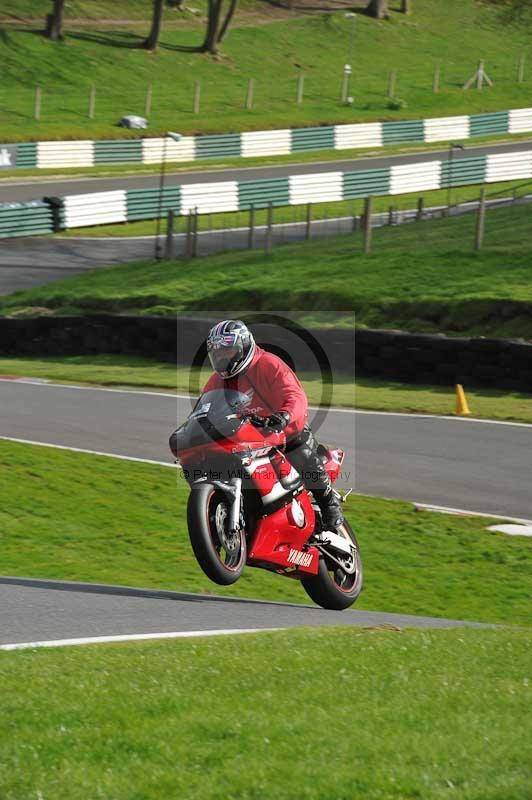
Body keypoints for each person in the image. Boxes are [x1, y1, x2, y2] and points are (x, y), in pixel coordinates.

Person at [202, 319, 345, 532]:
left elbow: (295, 395)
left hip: (281, 430)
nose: (223, 358)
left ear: (243, 346)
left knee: (298, 445)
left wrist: (283, 417)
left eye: (228, 351)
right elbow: (204, 410)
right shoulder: (217, 381)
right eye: (218, 354)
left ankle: (329, 506)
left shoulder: (268, 364)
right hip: (246, 436)